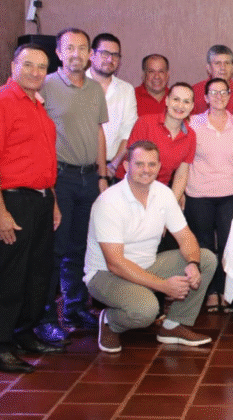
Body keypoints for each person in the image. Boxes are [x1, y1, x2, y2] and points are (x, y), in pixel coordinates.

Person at [0, 44, 65, 373]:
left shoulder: (37, 105)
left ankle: (24, 334)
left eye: (42, 67)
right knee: (12, 275)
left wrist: (52, 200)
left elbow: (43, 159)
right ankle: (0, 347)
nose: (35, 72)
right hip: (12, 201)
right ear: (13, 66)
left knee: (38, 273)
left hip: (40, 200)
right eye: (28, 65)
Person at [87, 140, 217, 353]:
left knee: (206, 259)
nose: (146, 170)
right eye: (139, 164)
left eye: (151, 164)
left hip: (147, 265)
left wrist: (193, 263)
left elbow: (186, 237)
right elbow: (115, 263)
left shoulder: (163, 193)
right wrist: (164, 286)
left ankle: (173, 326)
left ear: (159, 167)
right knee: (146, 310)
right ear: (126, 166)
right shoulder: (109, 202)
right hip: (105, 275)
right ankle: (110, 321)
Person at [39, 27, 109, 339]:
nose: (76, 54)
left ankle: (74, 308)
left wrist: (103, 175)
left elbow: (98, 132)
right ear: (58, 53)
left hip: (89, 177)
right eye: (69, 48)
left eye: (82, 48)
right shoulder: (46, 85)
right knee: (55, 249)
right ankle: (45, 318)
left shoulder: (95, 89)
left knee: (80, 247)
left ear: (90, 55)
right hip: (59, 178)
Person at [185, 78, 233, 312]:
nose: (219, 97)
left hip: (229, 194)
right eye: (213, 92)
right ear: (205, 98)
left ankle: (226, 290)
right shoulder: (193, 123)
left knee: (227, 245)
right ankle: (210, 292)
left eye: (224, 92)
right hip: (198, 193)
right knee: (203, 246)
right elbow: (185, 160)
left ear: (230, 96)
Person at [116, 83, 197, 206]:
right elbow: (134, 165)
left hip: (160, 191)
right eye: (176, 99)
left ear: (192, 106)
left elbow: (181, 174)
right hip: (130, 189)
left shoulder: (190, 136)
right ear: (167, 101)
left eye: (186, 102)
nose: (180, 106)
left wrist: (171, 204)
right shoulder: (145, 123)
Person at [87, 33, 137, 181]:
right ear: (91, 54)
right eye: (105, 54)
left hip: (111, 169)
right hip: (78, 169)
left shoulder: (126, 90)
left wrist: (113, 165)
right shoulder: (76, 85)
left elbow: (128, 132)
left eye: (115, 55)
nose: (110, 59)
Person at [191, 45, 233, 114]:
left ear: (232, 68)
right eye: (217, 63)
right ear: (209, 68)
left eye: (227, 63)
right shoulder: (195, 91)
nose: (223, 68)